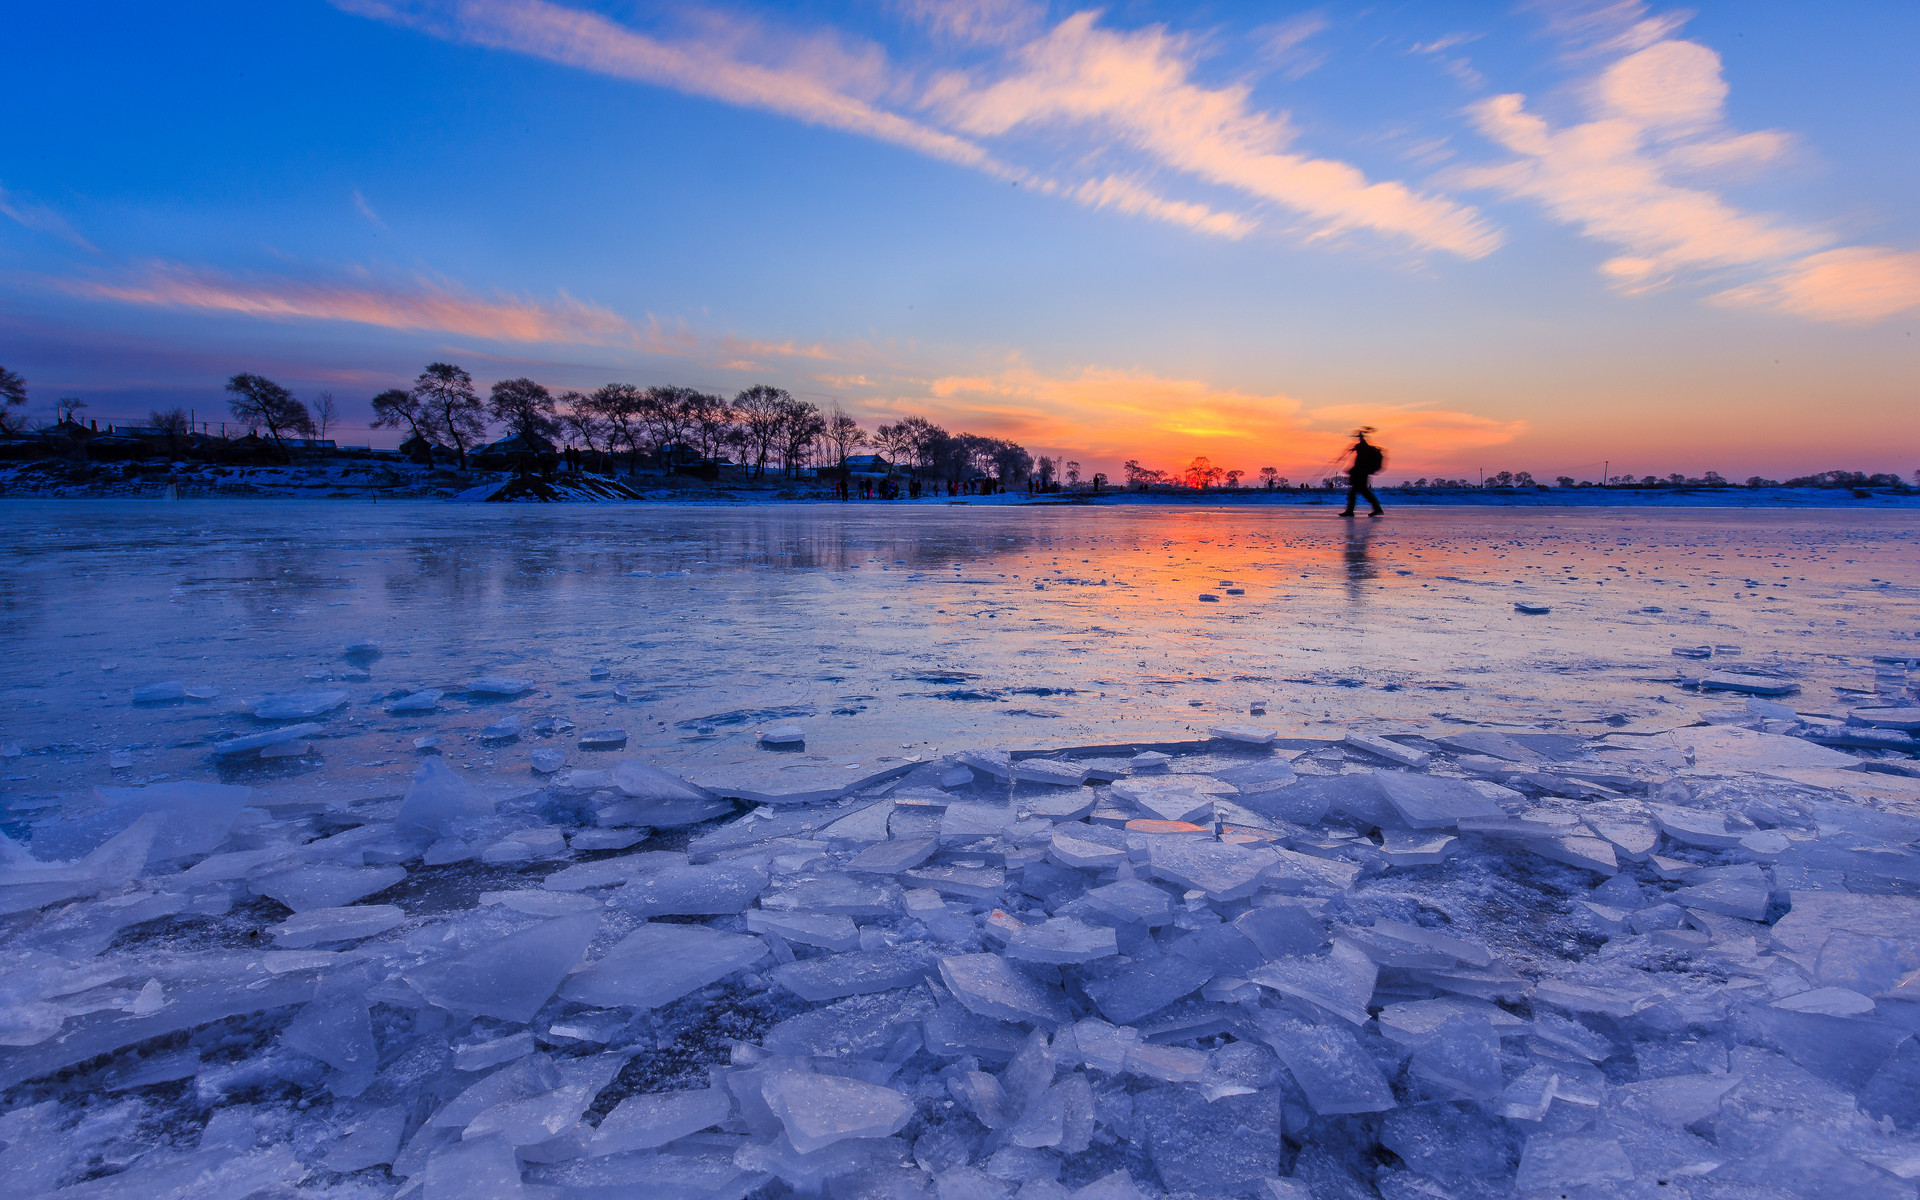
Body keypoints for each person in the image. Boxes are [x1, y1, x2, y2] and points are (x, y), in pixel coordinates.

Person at [1341, 428, 1385, 517]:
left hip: (1361, 474)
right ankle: (1376, 509)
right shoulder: (1362, 448)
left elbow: (1360, 463)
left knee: (1359, 492)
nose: (1357, 439)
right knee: (1361, 492)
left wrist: (1352, 470)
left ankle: (1351, 511)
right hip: (1361, 474)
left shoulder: (1364, 448)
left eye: (1359, 437)